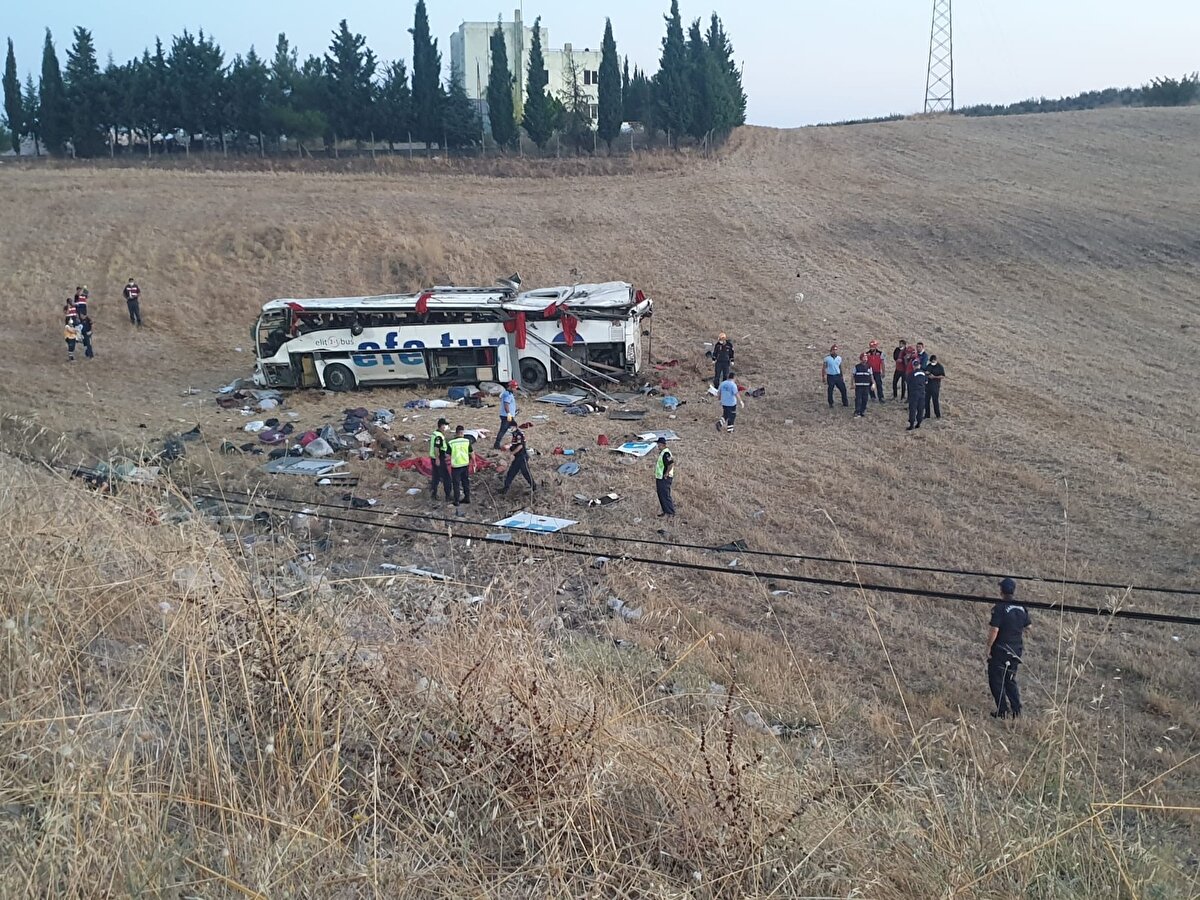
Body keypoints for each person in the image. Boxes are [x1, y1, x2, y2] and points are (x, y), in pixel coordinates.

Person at [987, 578, 1031, 719]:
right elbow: (1029, 626)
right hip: (1016, 649)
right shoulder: (1021, 607)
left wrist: (988, 647)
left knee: (996, 679)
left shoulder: (1000, 607)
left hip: (1001, 648)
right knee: (1010, 679)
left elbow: (994, 629)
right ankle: (1016, 709)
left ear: (1001, 591)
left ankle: (1003, 710)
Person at [500, 427, 535, 495]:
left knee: (526, 473)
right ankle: (505, 489)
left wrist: (511, 453)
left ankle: (534, 487)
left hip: (521, 457)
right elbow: (515, 444)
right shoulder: (515, 434)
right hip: (518, 457)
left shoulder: (519, 434)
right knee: (511, 473)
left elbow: (520, 446)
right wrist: (510, 446)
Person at [428, 418, 452, 502]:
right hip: (438, 458)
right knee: (446, 477)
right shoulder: (438, 436)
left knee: (436, 477)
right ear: (441, 426)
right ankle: (448, 496)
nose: (446, 427)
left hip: (434, 458)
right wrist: (438, 458)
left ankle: (433, 494)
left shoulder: (435, 434)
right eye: (445, 425)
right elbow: (436, 447)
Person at [449, 426, 473, 506]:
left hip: (456, 466)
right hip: (465, 465)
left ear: (456, 433)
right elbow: (471, 453)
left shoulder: (451, 442)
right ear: (463, 433)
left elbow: (447, 454)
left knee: (456, 484)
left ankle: (457, 500)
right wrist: (474, 462)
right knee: (465, 482)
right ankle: (467, 498)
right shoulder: (467, 441)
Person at [654, 436, 676, 517]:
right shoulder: (662, 452)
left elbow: (671, 464)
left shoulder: (666, 453)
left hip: (665, 478)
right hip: (660, 477)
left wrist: (666, 473)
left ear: (663, 445)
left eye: (659, 445)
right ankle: (665, 511)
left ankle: (670, 512)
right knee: (661, 495)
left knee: (665, 495)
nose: (658, 446)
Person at [493, 380, 519, 449]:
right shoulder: (507, 394)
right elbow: (506, 404)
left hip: (507, 415)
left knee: (514, 428)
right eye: (514, 387)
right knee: (504, 430)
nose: (515, 389)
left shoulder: (508, 393)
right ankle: (497, 444)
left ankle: (514, 442)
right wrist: (509, 414)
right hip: (506, 416)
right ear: (511, 387)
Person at [906, 354, 928, 430]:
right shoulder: (924, 374)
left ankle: (911, 424)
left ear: (913, 366)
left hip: (914, 393)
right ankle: (919, 423)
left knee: (913, 409)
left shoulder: (911, 374)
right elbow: (926, 382)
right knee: (920, 409)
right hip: (922, 393)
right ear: (919, 365)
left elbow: (908, 382)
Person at [925, 354, 946, 420]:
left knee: (935, 401)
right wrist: (927, 374)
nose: (932, 363)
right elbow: (925, 372)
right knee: (926, 400)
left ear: (935, 360)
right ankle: (927, 415)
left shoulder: (940, 367)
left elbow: (942, 376)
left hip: (935, 385)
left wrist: (934, 377)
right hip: (928, 385)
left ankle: (938, 415)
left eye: (933, 362)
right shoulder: (929, 365)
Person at [852, 353, 873, 418]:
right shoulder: (856, 367)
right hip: (859, 386)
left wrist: (873, 384)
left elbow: (871, 376)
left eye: (866, 358)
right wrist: (852, 383)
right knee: (858, 399)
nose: (865, 359)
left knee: (865, 399)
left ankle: (862, 411)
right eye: (864, 358)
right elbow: (853, 375)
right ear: (861, 359)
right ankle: (857, 411)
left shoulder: (869, 367)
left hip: (866, 386)